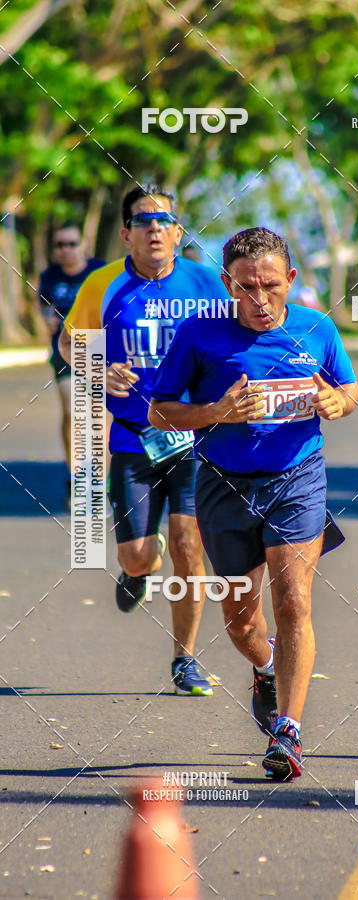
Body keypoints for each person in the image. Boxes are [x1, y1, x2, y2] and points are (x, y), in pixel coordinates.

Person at [148, 226, 358, 780]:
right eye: (246, 287)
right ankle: (265, 669)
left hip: (297, 479)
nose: (260, 300)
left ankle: (288, 731)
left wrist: (338, 401)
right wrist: (217, 411)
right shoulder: (199, 334)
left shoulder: (316, 327)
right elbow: (159, 412)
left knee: (294, 601)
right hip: (222, 484)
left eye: (270, 285)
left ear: (291, 280)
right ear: (227, 284)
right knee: (242, 622)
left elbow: (348, 387)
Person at [58, 185, 224, 696]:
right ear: (126, 233)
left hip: (194, 440)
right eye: (142, 220)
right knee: (137, 555)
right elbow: (68, 341)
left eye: (164, 220)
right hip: (132, 441)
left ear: (177, 232)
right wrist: (96, 367)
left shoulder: (206, 283)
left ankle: (185, 658)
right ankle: (138, 572)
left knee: (189, 546)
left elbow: (236, 340)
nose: (154, 227)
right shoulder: (103, 285)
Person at [39, 222, 104, 510]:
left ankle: (101, 481)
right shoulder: (49, 276)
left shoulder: (100, 271)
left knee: (98, 415)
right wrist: (47, 319)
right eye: (60, 245)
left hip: (98, 347)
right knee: (70, 410)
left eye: (71, 244)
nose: (65, 250)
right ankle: (75, 475)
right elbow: (45, 306)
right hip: (65, 349)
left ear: (83, 245)